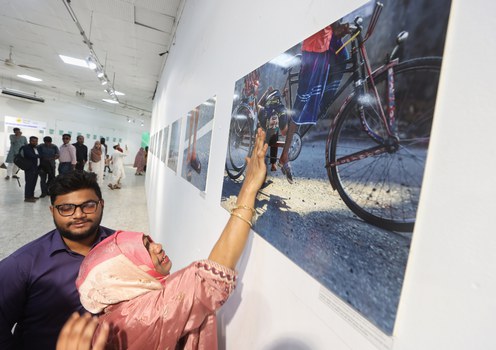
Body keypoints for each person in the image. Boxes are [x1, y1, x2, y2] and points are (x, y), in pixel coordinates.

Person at [76, 128, 268, 349]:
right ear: (123, 273)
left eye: (148, 241)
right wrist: (248, 188)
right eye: (145, 249)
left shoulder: (112, 315)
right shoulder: (142, 316)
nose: (158, 246)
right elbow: (207, 280)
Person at [0, 171, 115, 349]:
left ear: (102, 204)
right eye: (66, 208)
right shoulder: (22, 265)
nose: (78, 215)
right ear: (52, 211)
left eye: (89, 205)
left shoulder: (123, 246)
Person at [278, 22, 349, 183]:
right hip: (315, 46)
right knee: (302, 101)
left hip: (327, 41)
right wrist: (339, 28)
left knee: (343, 61)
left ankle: (319, 105)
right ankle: (284, 156)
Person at [20, 136, 40, 202]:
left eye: (36, 141)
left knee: (33, 182)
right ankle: (27, 197)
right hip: (30, 168)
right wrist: (41, 156)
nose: (35, 142)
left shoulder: (36, 148)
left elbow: (36, 156)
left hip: (36, 168)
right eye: (33, 141)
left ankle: (31, 195)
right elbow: (31, 155)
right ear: (30, 141)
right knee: (29, 182)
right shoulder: (26, 147)